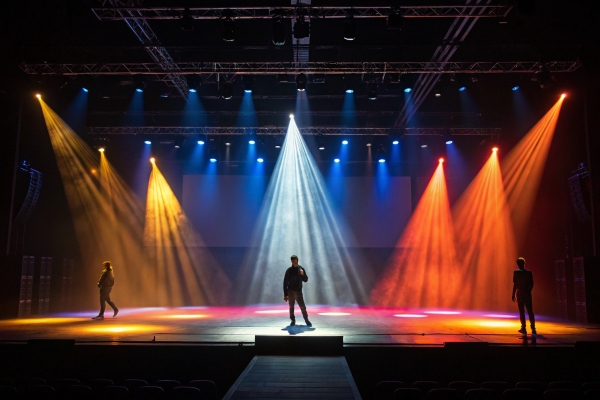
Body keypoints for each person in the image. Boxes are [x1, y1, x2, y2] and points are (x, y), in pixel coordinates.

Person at [283, 255, 312, 327]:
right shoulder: (289, 270)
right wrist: (285, 294)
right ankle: (293, 320)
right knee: (291, 307)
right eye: (292, 260)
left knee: (302, 306)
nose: (294, 262)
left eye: (295, 260)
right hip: (291, 291)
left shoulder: (301, 269)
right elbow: (285, 282)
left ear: (297, 260)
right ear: (291, 261)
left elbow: (306, 280)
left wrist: (303, 274)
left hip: (298, 291)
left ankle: (306, 320)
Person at [512, 257, 536, 335]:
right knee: (530, 311)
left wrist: (513, 294)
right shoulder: (529, 272)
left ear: (518, 264)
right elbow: (531, 283)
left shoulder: (516, 272)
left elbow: (515, 284)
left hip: (520, 293)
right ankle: (533, 328)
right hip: (527, 294)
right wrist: (528, 290)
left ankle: (524, 327)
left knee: (522, 311)